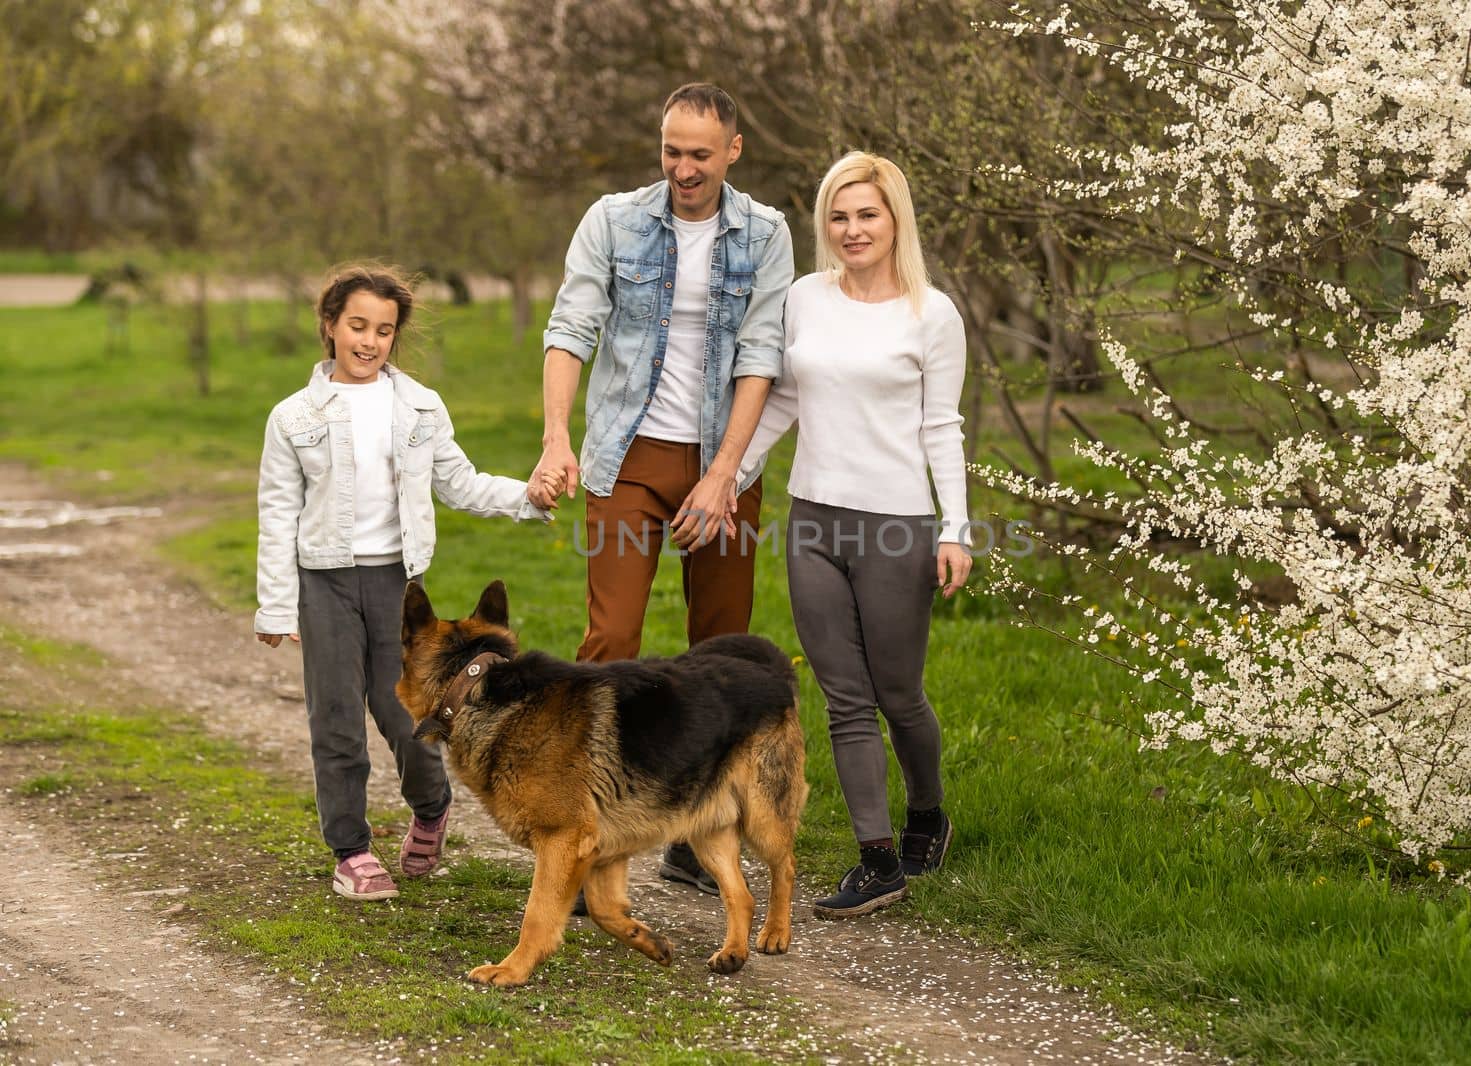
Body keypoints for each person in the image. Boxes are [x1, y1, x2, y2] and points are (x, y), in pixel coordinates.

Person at [527, 82, 795, 897]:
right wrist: (555, 436)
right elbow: (571, 327)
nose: (683, 169)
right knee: (610, 641)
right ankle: (572, 843)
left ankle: (694, 832)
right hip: (628, 458)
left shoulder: (768, 233)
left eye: (700, 155)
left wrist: (723, 476)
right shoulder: (612, 220)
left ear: (733, 151)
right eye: (672, 151)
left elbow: (762, 354)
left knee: (721, 648)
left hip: (725, 465)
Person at [255, 264, 551, 901]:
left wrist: (527, 496)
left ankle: (431, 806)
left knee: (407, 716)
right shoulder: (293, 417)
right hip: (324, 586)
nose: (369, 341)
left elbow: (460, 482)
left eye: (384, 330)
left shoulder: (418, 405)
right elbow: (277, 512)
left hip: (398, 588)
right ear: (330, 325)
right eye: (357, 325)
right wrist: (277, 607)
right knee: (335, 721)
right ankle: (352, 851)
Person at [739, 151, 973, 918]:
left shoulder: (931, 315)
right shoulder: (806, 298)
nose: (852, 229)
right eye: (838, 216)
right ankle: (877, 860)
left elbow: (943, 426)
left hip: (896, 527)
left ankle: (928, 814)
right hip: (812, 519)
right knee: (844, 698)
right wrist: (730, 473)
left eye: (867, 214)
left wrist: (956, 529)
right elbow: (786, 400)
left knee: (899, 694)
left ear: (895, 218)